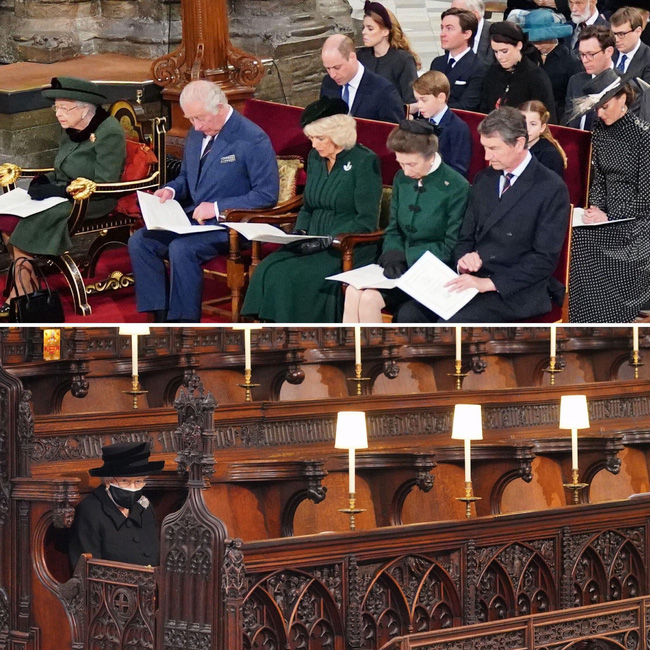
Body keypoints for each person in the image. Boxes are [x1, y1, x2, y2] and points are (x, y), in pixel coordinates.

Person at [395, 107, 570, 323]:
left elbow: (544, 259)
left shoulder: (551, 188)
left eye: (494, 148)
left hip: (514, 290)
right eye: (485, 148)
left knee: (451, 324)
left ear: (518, 143)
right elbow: (464, 237)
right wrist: (464, 260)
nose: (487, 156)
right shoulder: (484, 179)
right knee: (409, 314)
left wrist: (487, 284)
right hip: (472, 281)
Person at [128, 80, 279, 323]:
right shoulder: (197, 134)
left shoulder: (252, 138)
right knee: (141, 241)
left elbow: (266, 195)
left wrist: (218, 208)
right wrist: (171, 190)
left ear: (220, 108)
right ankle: (160, 316)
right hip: (194, 218)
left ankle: (184, 324)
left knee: (182, 248)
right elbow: (188, 177)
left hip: (233, 224)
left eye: (200, 118)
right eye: (190, 119)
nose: (196, 126)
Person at [241, 97, 382, 323]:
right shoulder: (315, 157)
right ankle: (269, 329)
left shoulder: (365, 161)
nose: (314, 144)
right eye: (311, 138)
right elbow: (307, 206)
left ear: (339, 134)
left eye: (320, 138)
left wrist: (327, 240)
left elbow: (366, 220)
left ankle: (301, 336)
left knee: (295, 276)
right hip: (311, 240)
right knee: (269, 267)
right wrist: (300, 233)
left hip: (347, 244)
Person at [0, 76, 126, 316]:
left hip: (93, 199)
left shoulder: (109, 131)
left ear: (84, 108)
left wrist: (59, 190)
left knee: (30, 219)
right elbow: (62, 167)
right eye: (56, 107)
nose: (58, 113)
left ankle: (22, 288)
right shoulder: (70, 125)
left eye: (64, 108)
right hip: (65, 192)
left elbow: (105, 182)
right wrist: (46, 181)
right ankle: (25, 282)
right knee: (7, 214)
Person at [343, 120, 469, 323]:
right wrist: (392, 254)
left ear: (430, 157)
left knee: (368, 299)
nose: (406, 171)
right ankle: (352, 353)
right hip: (399, 267)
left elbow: (450, 245)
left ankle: (379, 354)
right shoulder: (401, 178)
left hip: (433, 271)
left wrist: (406, 256)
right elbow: (393, 228)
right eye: (401, 163)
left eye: (411, 164)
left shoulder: (456, 186)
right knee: (352, 291)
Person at [569, 69, 650, 323]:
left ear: (622, 99)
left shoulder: (643, 136)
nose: (600, 113)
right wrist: (596, 208)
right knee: (577, 239)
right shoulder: (600, 128)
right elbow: (600, 177)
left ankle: (616, 320)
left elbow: (647, 196)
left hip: (638, 219)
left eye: (605, 107)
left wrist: (611, 214)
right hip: (606, 214)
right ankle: (583, 322)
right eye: (597, 108)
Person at [68, 441, 165, 569]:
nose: (133, 488)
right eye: (125, 481)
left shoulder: (145, 506)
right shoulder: (90, 511)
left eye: (139, 481)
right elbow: (87, 570)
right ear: (108, 481)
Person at [480, 21, 558, 122]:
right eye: (495, 51)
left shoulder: (536, 77)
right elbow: (483, 109)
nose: (499, 57)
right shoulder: (492, 72)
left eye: (504, 51)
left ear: (519, 45)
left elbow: (546, 119)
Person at [320, 34, 405, 123]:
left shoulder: (384, 91)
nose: (332, 75)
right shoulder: (328, 83)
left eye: (337, 67)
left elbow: (394, 133)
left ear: (352, 58)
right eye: (328, 68)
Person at [522, 9, 584, 118]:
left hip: (558, 117)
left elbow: (576, 98)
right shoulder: (528, 56)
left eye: (540, 41)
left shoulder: (570, 61)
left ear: (551, 35)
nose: (536, 45)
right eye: (533, 41)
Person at [356, 0, 420, 104]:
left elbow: (410, 100)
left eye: (370, 29)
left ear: (385, 32)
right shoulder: (361, 56)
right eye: (363, 28)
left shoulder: (403, 60)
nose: (364, 32)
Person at [411, 71, 473, 178]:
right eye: (417, 100)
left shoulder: (458, 128)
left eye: (424, 100)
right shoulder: (420, 123)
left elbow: (459, 169)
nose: (419, 106)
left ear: (441, 97)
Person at [430, 8, 487, 112]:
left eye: (449, 28)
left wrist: (433, 108)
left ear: (466, 34)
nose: (442, 34)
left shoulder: (478, 67)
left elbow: (468, 105)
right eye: (442, 28)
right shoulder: (437, 63)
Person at [563, 25, 616, 129]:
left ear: (609, 52)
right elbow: (567, 121)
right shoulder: (576, 81)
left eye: (590, 54)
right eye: (582, 54)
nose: (585, 60)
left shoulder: (623, 85)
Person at [519, 100, 567, 177]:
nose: (527, 128)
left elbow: (552, 186)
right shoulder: (513, 146)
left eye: (533, 124)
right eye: (523, 123)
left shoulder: (550, 155)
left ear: (542, 127)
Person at [611, 7, 650, 84]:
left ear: (638, 32)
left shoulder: (648, 58)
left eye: (621, 34)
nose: (616, 39)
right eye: (613, 34)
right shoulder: (608, 52)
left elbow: (645, 94)